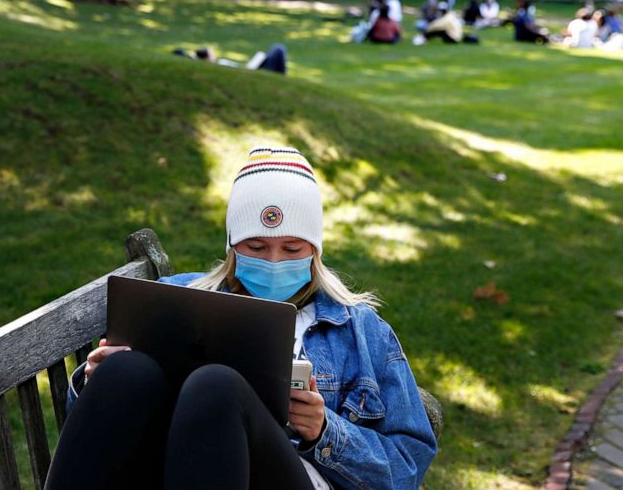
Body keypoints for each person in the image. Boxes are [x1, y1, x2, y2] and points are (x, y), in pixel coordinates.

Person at [44, 147, 438, 490]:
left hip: (296, 476)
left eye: (292, 247)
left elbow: (407, 467)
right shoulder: (176, 297)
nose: (273, 261)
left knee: (218, 386)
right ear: (232, 244)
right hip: (174, 474)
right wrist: (91, 381)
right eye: (256, 245)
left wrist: (324, 430)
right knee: (126, 371)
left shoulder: (362, 331)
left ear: (316, 250)